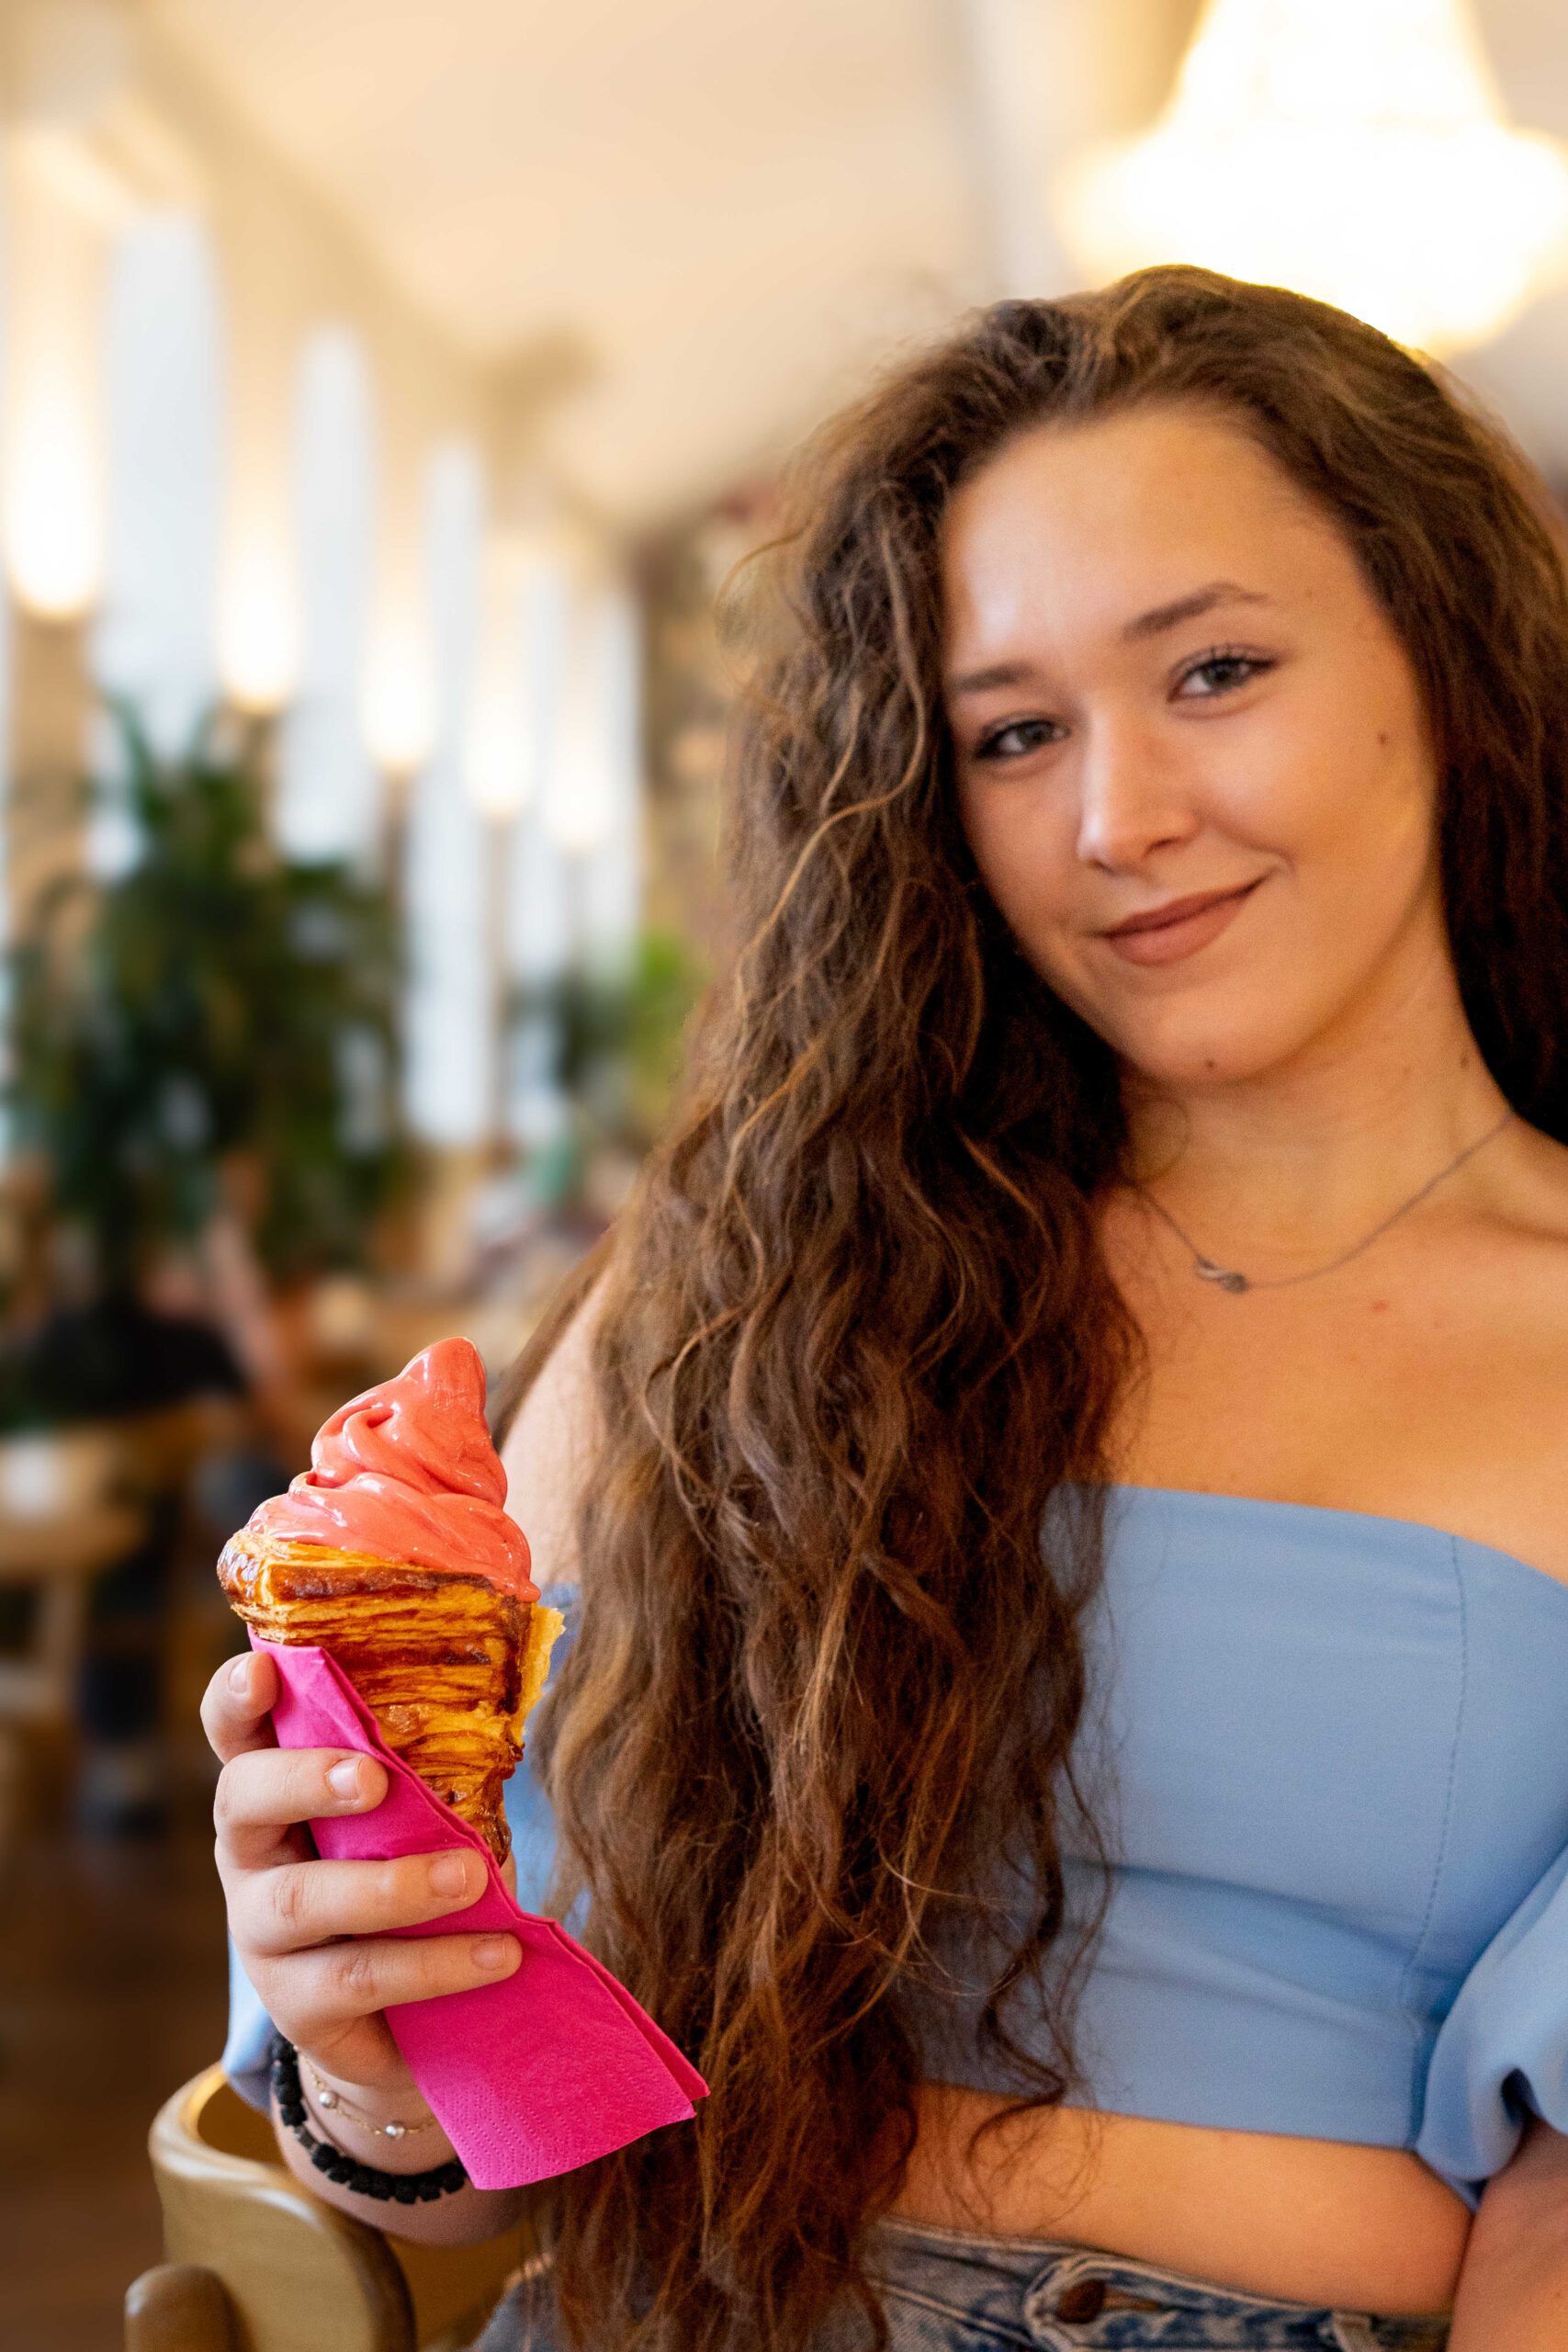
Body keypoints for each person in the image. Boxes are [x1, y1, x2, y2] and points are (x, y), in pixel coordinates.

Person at [205, 267, 1568, 2350]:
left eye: (1213, 669)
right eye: (1014, 732)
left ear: (1446, 662)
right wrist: (364, 2048)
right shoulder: (766, 1280)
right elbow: (464, 2160)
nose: (1118, 820)